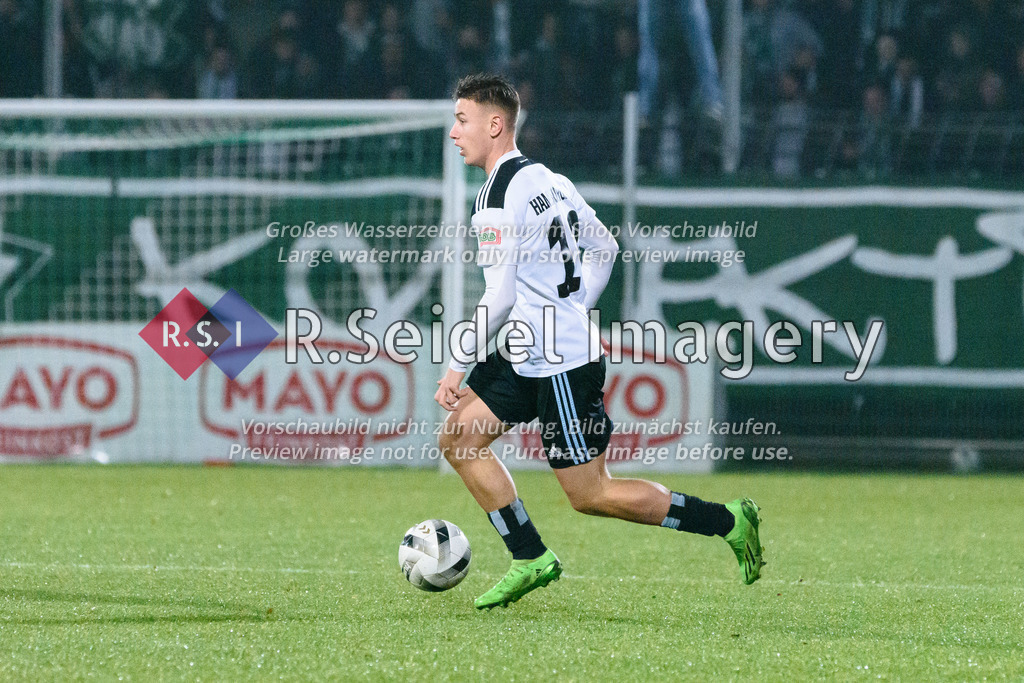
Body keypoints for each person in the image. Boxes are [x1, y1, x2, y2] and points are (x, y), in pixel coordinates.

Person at [436, 73, 766, 610]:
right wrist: (572, 308)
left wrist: (455, 366)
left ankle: (727, 520)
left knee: (591, 494)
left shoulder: (495, 197)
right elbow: (606, 248)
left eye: (461, 120)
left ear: (495, 124)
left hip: (562, 364)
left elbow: (499, 295)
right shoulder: (551, 180)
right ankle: (529, 557)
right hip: (529, 353)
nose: (453, 132)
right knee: (458, 439)